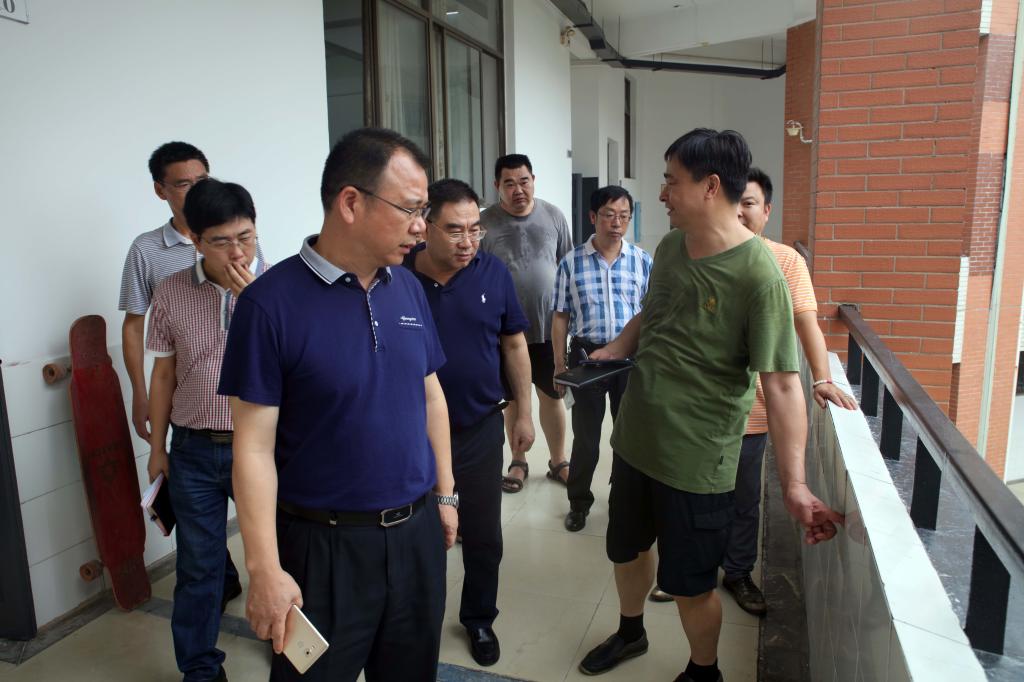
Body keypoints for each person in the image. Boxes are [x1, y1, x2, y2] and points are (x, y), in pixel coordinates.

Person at [578, 129, 843, 682]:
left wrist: (794, 484)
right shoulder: (672, 247)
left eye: (671, 181)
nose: (661, 193)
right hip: (636, 440)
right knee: (626, 551)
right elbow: (654, 313)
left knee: (691, 583)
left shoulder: (760, 277)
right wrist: (617, 347)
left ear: (711, 186)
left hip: (697, 461)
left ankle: (704, 672)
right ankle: (631, 631)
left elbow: (782, 385)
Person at [218, 127, 457, 682]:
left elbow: (430, 395)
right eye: (411, 209)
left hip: (416, 537)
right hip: (322, 551)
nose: (421, 227)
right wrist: (264, 568)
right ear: (351, 202)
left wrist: (445, 494)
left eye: (424, 211)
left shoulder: (407, 288)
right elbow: (251, 448)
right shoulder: (269, 305)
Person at [649, 168, 857, 612]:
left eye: (750, 203)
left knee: (743, 501)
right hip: (693, 413)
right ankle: (680, 571)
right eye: (736, 202)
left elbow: (807, 323)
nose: (741, 212)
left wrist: (822, 378)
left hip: (753, 416)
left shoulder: (785, 262)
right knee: (683, 498)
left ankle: (739, 573)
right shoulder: (692, 249)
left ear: (767, 211)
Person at [403, 178, 534, 666]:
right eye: (455, 230)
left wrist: (524, 412)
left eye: (475, 229)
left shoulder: (492, 273)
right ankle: (419, 621)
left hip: (479, 427)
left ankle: (478, 618)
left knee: (482, 535)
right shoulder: (398, 277)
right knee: (420, 536)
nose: (468, 241)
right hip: (412, 434)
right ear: (426, 227)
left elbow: (513, 343)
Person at [146, 179, 268, 682]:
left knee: (278, 556)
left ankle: (289, 643)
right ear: (194, 240)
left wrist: (256, 303)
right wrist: (157, 448)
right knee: (198, 566)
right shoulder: (171, 291)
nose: (237, 252)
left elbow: (302, 365)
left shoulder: (279, 288)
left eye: (246, 237)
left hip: (266, 448)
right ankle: (199, 668)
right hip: (194, 448)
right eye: (221, 242)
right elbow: (164, 374)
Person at [118, 142, 246, 615]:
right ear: (161, 191)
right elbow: (139, 331)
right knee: (198, 551)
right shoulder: (148, 253)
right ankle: (212, 605)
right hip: (191, 422)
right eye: (183, 183)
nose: (195, 190)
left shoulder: (239, 244)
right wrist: (141, 395)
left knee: (271, 543)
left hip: (247, 427)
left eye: (201, 180)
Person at [551, 186, 652, 532]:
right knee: (586, 438)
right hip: (587, 358)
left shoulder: (642, 261)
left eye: (624, 216)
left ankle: (625, 500)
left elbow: (653, 313)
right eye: (609, 215)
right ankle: (579, 502)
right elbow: (560, 316)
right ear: (593, 217)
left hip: (630, 358)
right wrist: (559, 365)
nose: (617, 223)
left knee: (630, 435)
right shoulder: (571, 262)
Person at [480, 154, 573, 492]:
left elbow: (567, 266)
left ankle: (558, 460)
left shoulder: (553, 215)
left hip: (548, 328)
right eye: (509, 183)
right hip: (504, 332)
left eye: (524, 181)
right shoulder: (484, 223)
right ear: (497, 186)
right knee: (514, 400)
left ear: (533, 180)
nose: (518, 189)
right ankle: (518, 461)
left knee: (552, 396)